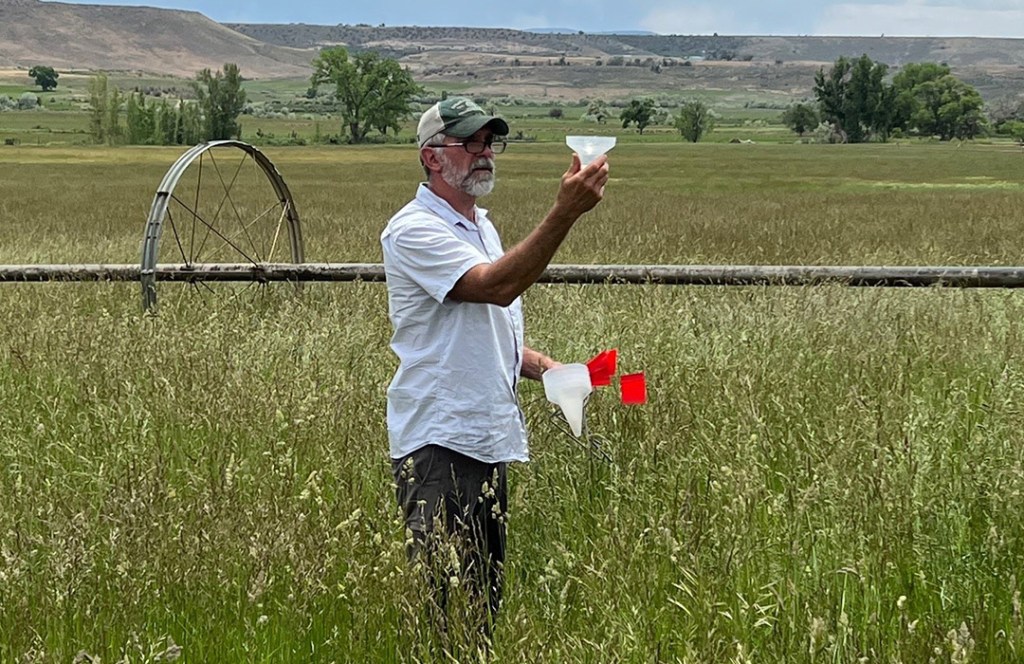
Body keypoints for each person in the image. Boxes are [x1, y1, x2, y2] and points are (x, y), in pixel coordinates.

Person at [381, 97, 609, 636]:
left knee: (481, 612)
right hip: (439, 443)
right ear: (432, 157)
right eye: (472, 143)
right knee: (442, 614)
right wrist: (564, 212)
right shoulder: (412, 229)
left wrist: (543, 367)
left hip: (486, 438)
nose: (486, 154)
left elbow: (477, 329)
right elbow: (495, 288)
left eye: (490, 142)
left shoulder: (481, 226)